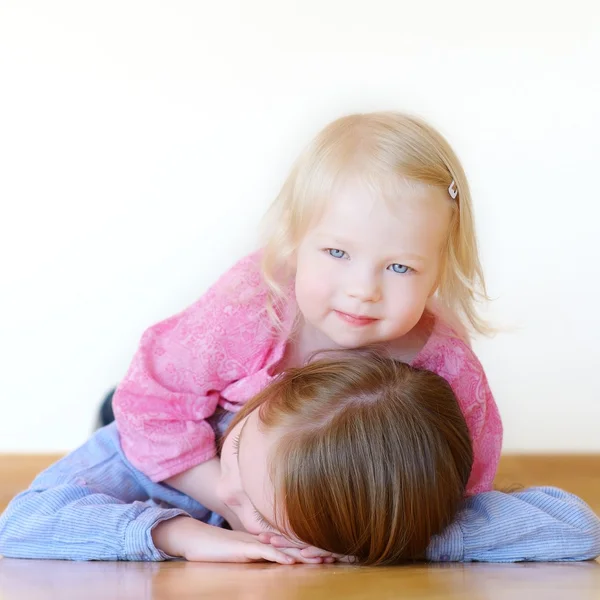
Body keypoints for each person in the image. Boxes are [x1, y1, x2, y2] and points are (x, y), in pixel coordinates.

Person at [111, 112, 502, 519]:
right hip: (198, 453)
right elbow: (150, 404)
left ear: (440, 271)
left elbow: (460, 487)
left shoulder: (446, 367)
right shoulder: (251, 306)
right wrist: (241, 512)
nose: (363, 290)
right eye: (338, 253)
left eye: (400, 267)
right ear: (294, 244)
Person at [1, 354, 598, 565]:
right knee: (116, 418)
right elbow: (21, 523)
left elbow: (575, 529)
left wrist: (390, 538)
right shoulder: (193, 442)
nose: (221, 488)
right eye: (240, 452)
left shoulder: (374, 506)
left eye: (255, 505)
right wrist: (178, 534)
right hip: (135, 431)